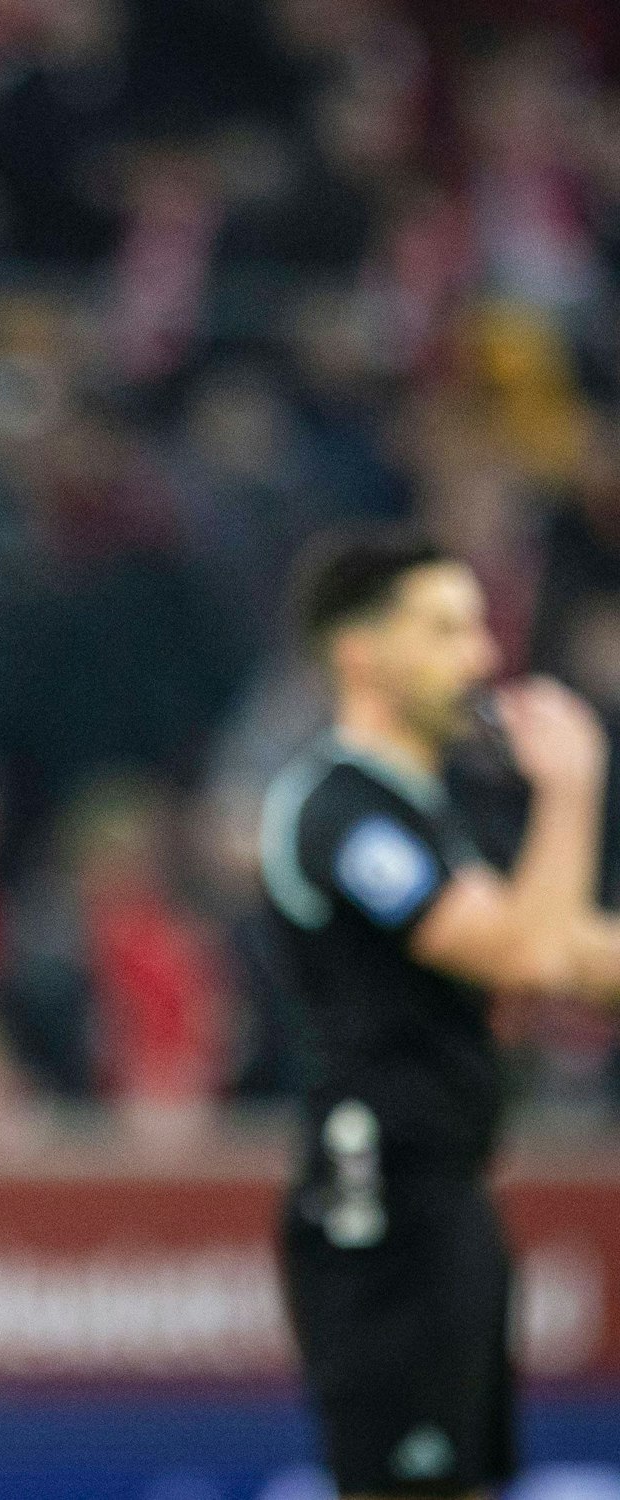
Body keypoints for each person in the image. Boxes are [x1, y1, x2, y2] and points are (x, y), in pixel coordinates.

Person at [261, 528, 620, 1500]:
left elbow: (565, 947)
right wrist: (572, 788)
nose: (480, 655)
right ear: (358, 651)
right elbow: (529, 956)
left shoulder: (432, 806)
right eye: (445, 629)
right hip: (379, 1200)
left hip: (450, 1193)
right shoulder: (338, 808)